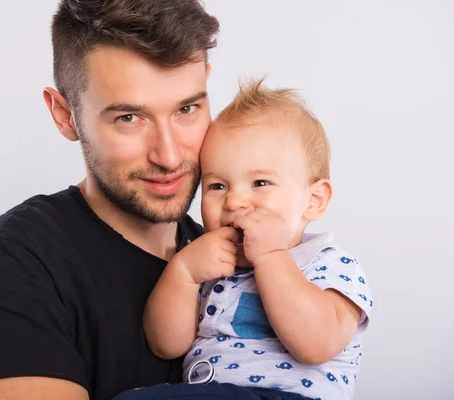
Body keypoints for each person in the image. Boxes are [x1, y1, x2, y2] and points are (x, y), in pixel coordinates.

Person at [0, 1, 219, 399]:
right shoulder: (12, 264)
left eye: (187, 109)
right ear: (65, 115)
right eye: (129, 118)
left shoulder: (235, 260)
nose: (169, 156)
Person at [118, 80, 373, 400]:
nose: (235, 201)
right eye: (217, 186)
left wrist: (271, 256)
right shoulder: (212, 266)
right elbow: (166, 346)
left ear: (314, 200)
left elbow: (317, 345)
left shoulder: (330, 265)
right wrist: (183, 273)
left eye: (261, 182)